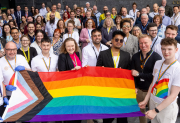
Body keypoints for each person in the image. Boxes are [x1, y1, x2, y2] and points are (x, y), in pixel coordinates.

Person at [139, 38, 180, 123]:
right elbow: (153, 84)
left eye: (169, 49)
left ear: (176, 50)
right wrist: (146, 100)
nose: (166, 52)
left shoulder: (177, 68)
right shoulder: (158, 63)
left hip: (166, 108)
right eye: (164, 49)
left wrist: (155, 111)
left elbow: (173, 96)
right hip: (153, 103)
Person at [97, 31, 130, 123]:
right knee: (107, 118)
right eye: (116, 39)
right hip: (108, 91)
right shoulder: (103, 54)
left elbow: (129, 73)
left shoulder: (126, 55)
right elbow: (97, 71)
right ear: (112, 40)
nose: (118, 41)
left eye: (121, 40)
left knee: (122, 118)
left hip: (121, 91)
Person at [131, 34, 161, 123]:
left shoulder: (157, 57)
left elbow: (154, 76)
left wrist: (139, 74)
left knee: (153, 113)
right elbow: (133, 73)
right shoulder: (135, 56)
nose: (143, 45)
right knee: (141, 112)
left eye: (145, 43)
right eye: (141, 43)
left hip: (152, 91)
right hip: (139, 90)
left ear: (151, 43)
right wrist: (135, 86)